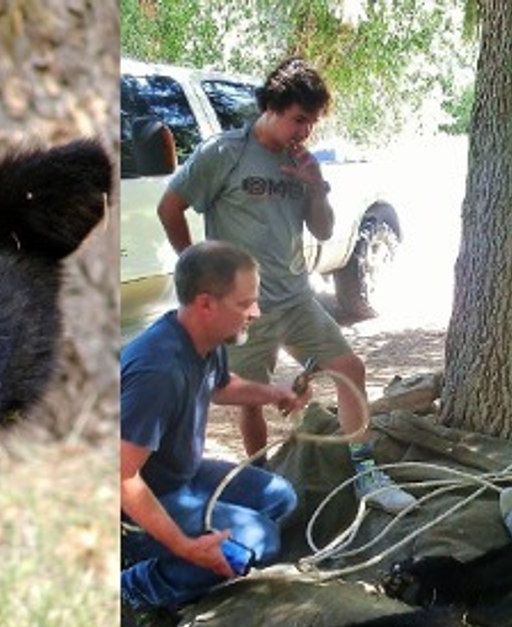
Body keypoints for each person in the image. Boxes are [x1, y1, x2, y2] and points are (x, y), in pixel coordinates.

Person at [156, 56, 413, 513]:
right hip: (243, 308)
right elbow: (170, 207)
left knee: (349, 369)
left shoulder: (302, 162)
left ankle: (366, 474)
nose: (305, 132)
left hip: (297, 299)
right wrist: (195, 269)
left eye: (311, 123)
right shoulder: (224, 154)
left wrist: (315, 186)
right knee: (249, 400)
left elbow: (323, 230)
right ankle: (264, 484)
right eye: (299, 119)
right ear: (272, 107)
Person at [120, 242, 304, 627]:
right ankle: (133, 587)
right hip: (139, 496)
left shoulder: (204, 338)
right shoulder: (158, 370)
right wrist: (186, 547)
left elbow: (220, 387)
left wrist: (274, 394)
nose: (254, 313)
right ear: (206, 303)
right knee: (260, 542)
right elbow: (122, 477)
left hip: (180, 475)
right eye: (245, 303)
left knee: (281, 498)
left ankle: (161, 552)